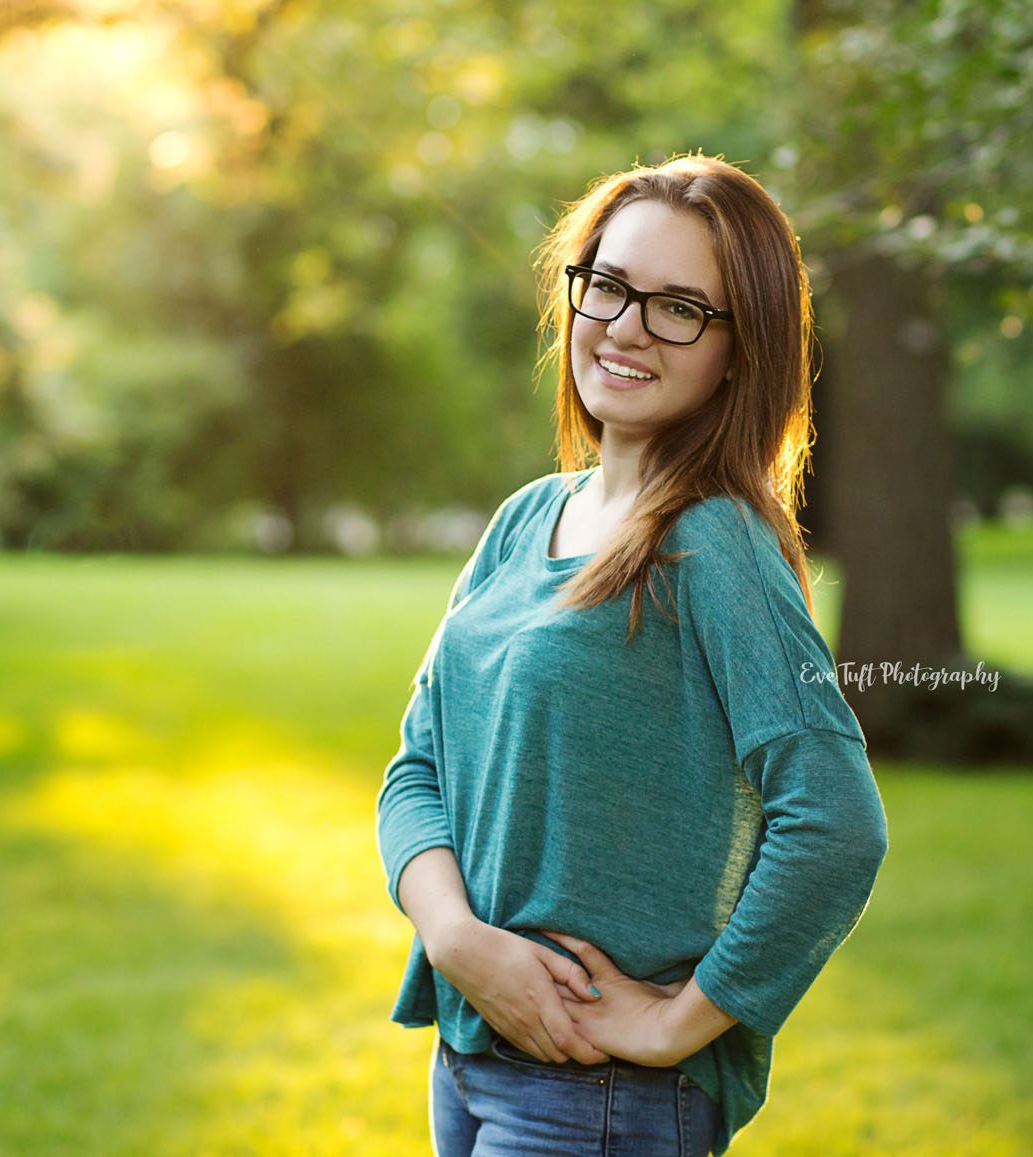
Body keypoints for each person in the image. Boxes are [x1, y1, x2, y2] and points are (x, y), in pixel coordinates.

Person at [375, 154, 891, 1156]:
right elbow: (416, 768)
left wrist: (674, 1021)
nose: (623, 327)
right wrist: (455, 938)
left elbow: (833, 821)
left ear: (742, 349)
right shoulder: (529, 517)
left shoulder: (715, 544)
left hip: (596, 1096)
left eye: (678, 308)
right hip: (470, 1058)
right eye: (607, 286)